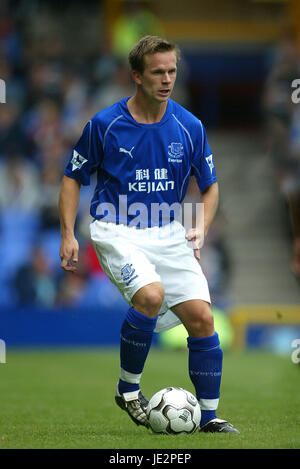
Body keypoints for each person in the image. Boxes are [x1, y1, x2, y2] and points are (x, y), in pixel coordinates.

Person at [58, 35, 239, 434]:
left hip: (169, 231)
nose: (167, 79)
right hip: (115, 229)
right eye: (158, 72)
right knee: (151, 296)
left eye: (172, 71)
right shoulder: (104, 125)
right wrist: (68, 234)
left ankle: (209, 418)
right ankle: (128, 388)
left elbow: (210, 186)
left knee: (203, 318)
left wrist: (201, 225)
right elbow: (72, 178)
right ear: (136, 76)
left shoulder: (189, 126)